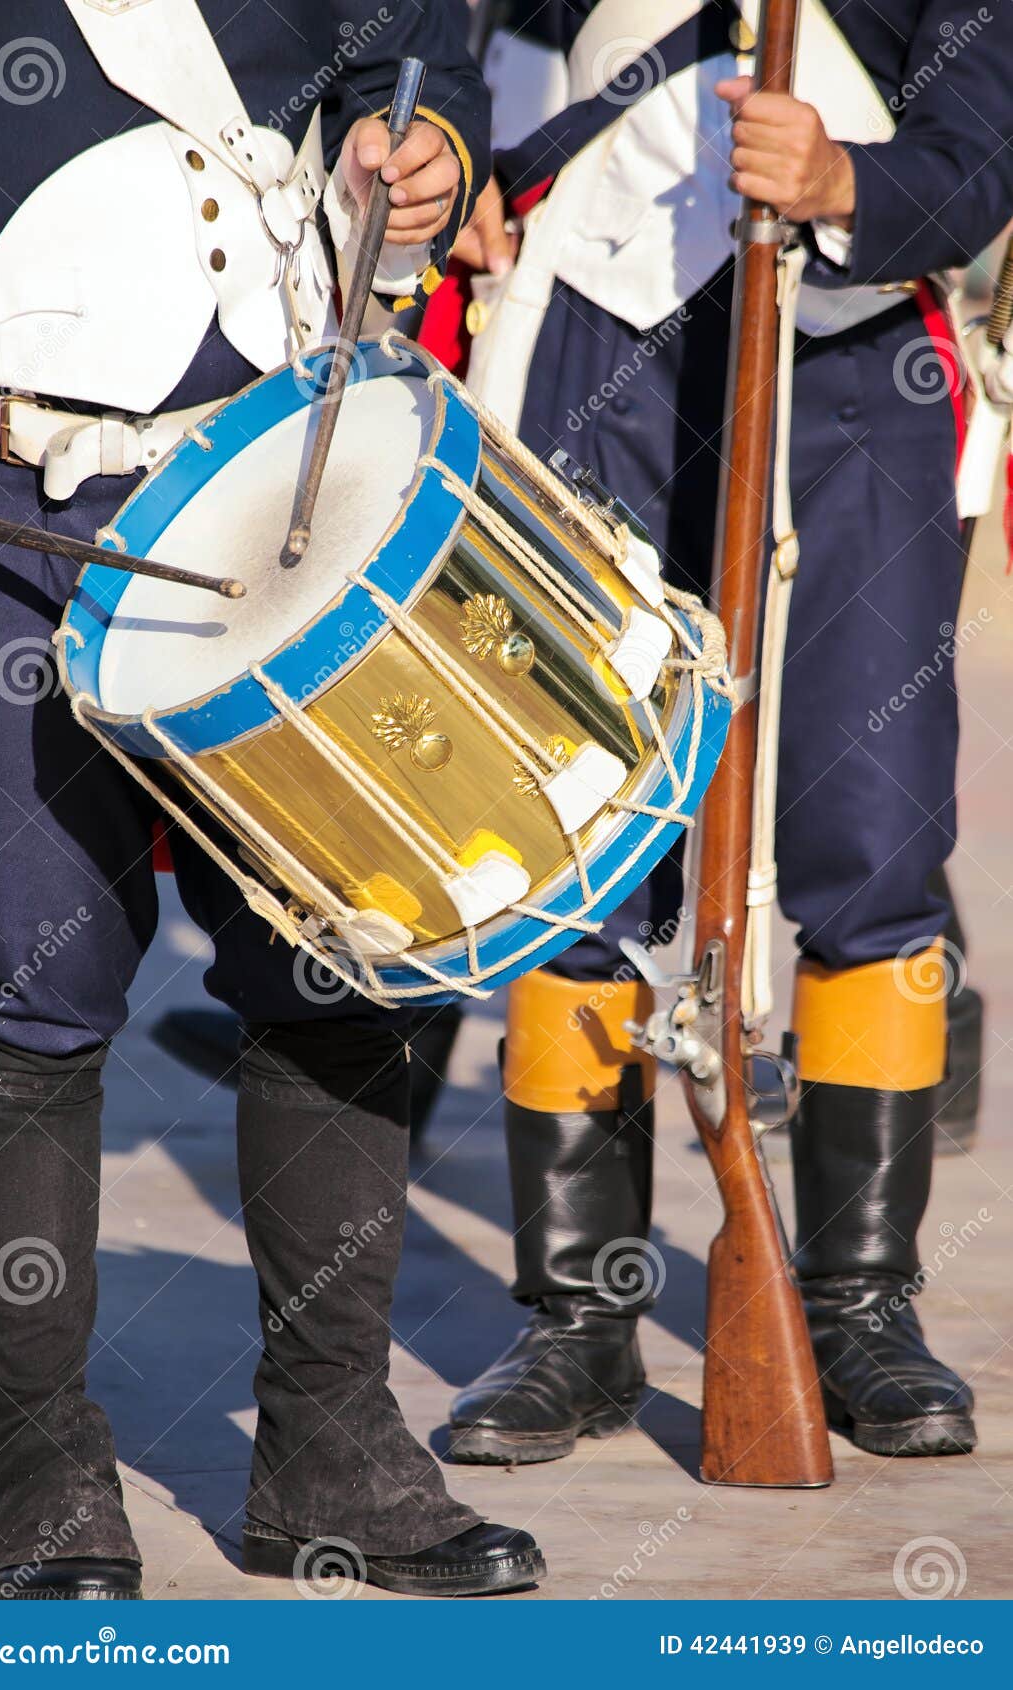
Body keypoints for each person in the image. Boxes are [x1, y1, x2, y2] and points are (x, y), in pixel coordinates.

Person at [0, 0, 545, 1600]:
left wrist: (424, 143)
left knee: (340, 942)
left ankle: (330, 1446)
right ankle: (39, 1471)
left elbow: (412, 45)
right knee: (23, 967)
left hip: (284, 453)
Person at [444, 0, 1012, 1466]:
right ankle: (581, 1314)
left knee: (871, 835)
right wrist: (453, 138)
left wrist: (847, 183)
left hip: (858, 358)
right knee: (579, 829)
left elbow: (984, 135)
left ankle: (859, 1305)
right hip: (594, 338)